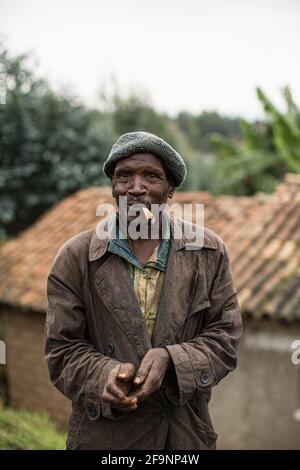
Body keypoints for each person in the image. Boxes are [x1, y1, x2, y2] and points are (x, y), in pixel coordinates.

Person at [45, 131, 243, 450]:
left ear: (170, 189)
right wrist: (102, 376)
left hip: (182, 434)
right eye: (124, 176)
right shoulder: (76, 257)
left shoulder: (208, 252)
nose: (136, 188)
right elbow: (61, 349)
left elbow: (226, 337)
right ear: (113, 186)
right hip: (104, 437)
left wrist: (172, 359)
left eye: (151, 176)